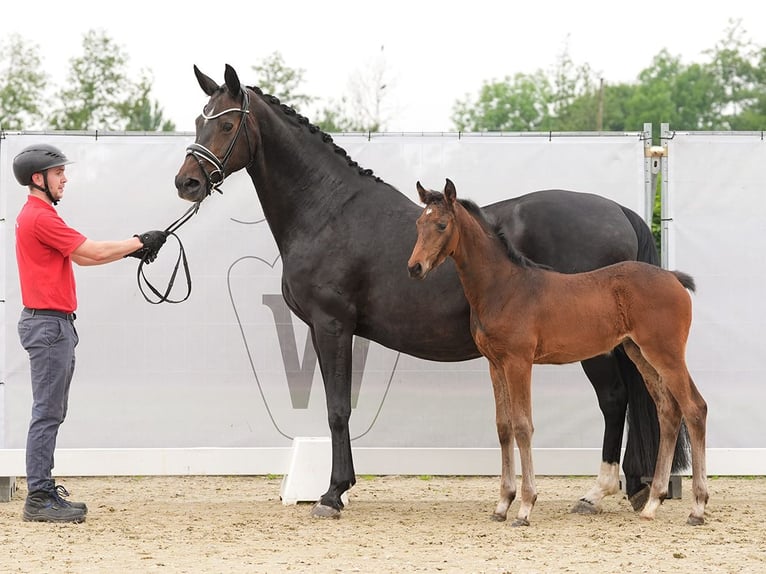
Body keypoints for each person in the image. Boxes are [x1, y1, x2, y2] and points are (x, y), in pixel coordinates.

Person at [12, 143, 167, 523]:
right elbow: (93, 252)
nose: (64, 178)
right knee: (47, 412)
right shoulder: (41, 217)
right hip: (49, 325)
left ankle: (42, 491)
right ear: (39, 178)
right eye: (58, 173)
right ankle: (40, 497)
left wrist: (133, 250)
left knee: (51, 411)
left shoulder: (38, 215)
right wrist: (139, 242)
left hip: (51, 324)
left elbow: (81, 256)